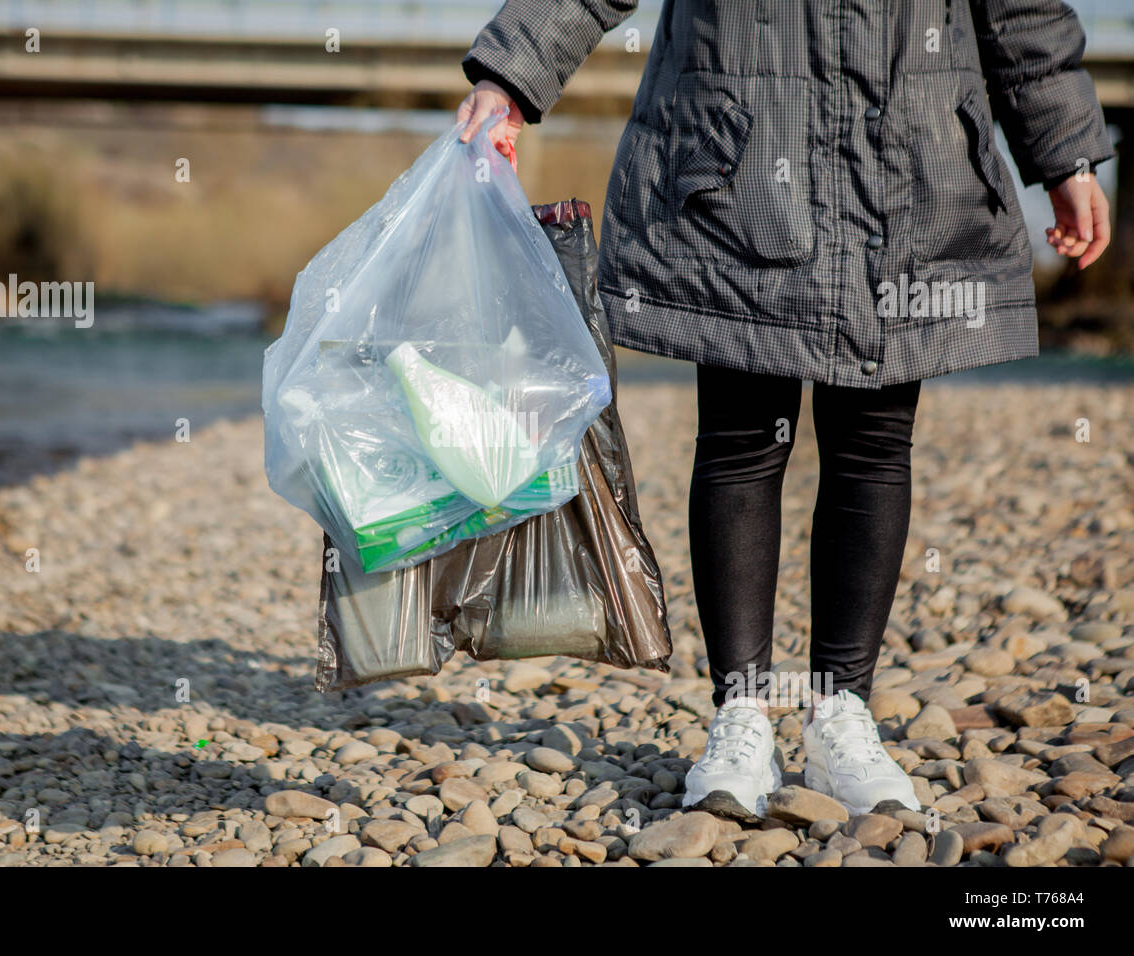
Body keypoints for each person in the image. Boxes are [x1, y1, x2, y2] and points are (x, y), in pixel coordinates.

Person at [456, 1, 1112, 819]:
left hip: (907, 154)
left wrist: (1070, 155)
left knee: (874, 439)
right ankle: (741, 715)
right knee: (739, 437)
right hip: (738, 151)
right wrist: (509, 74)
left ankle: (843, 713)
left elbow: (1019, 10)